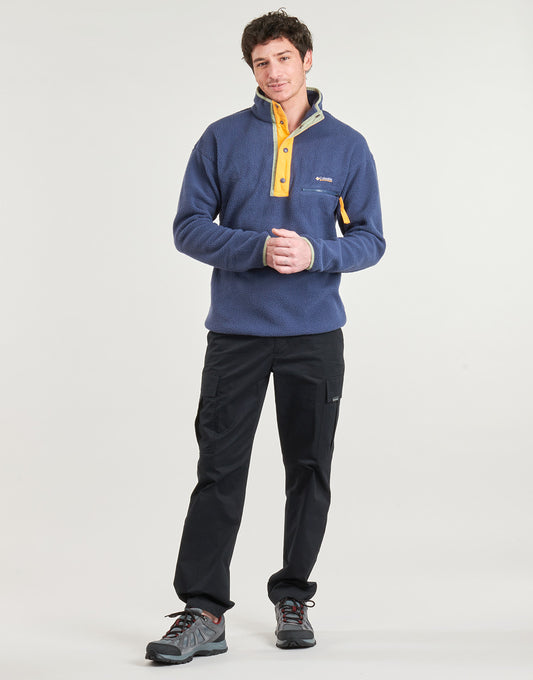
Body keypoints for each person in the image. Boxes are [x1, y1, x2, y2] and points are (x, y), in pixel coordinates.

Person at [145, 9, 385, 665]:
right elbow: (188, 227)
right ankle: (203, 612)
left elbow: (369, 239)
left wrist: (315, 253)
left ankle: (293, 596)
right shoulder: (221, 138)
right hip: (236, 334)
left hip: (314, 334)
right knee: (218, 471)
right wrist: (255, 248)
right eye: (260, 62)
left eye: (283, 58)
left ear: (306, 59)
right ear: (251, 69)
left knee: (308, 469)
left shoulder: (348, 146)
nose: (273, 72)